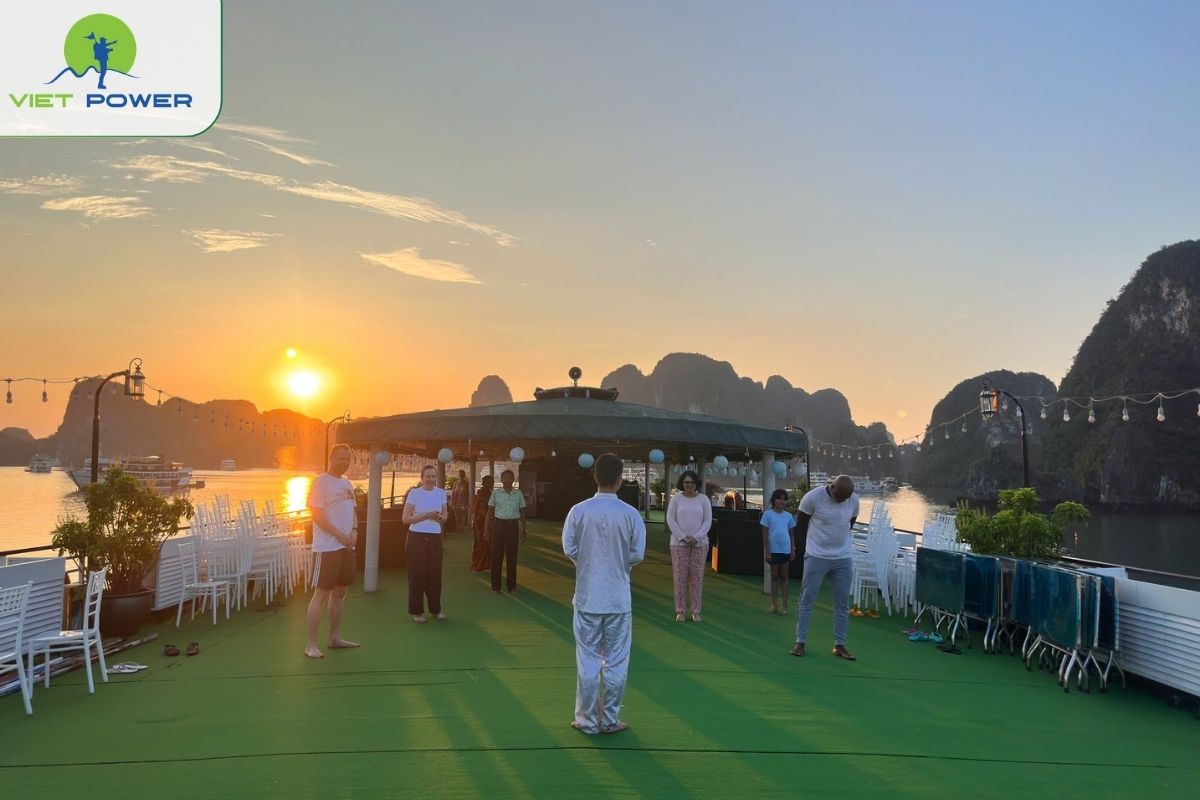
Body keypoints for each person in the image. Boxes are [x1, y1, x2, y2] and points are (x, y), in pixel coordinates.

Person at [562, 453, 646, 735]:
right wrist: (619, 563)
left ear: (595, 476)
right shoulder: (631, 514)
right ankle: (609, 718)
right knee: (616, 660)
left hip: (587, 595)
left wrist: (586, 563)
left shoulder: (578, 510)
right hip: (617, 597)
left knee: (587, 659)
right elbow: (637, 554)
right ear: (620, 480)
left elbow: (569, 548)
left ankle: (586, 720)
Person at [790, 475, 860, 660]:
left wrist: (837, 544)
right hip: (816, 556)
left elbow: (849, 524)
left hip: (843, 557)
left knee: (842, 603)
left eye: (846, 498)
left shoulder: (853, 500)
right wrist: (802, 553)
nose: (843, 500)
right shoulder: (813, 498)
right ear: (832, 487)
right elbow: (801, 526)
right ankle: (800, 642)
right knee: (807, 599)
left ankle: (839, 645)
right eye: (841, 496)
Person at [304, 444, 360, 659]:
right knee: (321, 594)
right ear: (331, 458)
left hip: (346, 546)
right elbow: (317, 515)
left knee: (340, 592)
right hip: (327, 548)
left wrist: (354, 530)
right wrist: (339, 535)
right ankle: (311, 644)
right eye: (341, 458)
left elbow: (352, 512)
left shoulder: (347, 483)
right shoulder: (320, 482)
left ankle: (334, 638)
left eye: (348, 459)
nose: (344, 462)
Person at [402, 465, 448, 623]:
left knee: (435, 574)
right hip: (416, 537)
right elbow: (406, 518)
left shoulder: (441, 493)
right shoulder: (414, 493)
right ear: (421, 478)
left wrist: (439, 517)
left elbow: (445, 515)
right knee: (417, 574)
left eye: (433, 476)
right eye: (428, 476)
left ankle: (436, 609)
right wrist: (426, 515)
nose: (431, 479)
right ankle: (417, 611)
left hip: (435, 537)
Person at [666, 469, 711, 622]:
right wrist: (683, 538)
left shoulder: (703, 499)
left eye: (692, 482)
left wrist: (696, 538)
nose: (689, 485)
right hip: (679, 545)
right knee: (680, 578)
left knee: (697, 578)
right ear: (682, 483)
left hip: (700, 545)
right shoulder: (676, 499)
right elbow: (671, 520)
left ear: (696, 483)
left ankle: (696, 611)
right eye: (686, 482)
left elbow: (707, 521)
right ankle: (680, 611)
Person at [486, 469, 528, 594]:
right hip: (499, 525)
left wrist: (524, 529)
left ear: (513, 479)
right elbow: (490, 511)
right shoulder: (496, 493)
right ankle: (495, 587)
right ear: (501, 480)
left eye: (510, 478)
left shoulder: (518, 493)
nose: (508, 480)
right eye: (505, 478)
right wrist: (486, 529)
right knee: (496, 556)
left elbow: (522, 513)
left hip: (513, 526)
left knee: (512, 556)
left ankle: (511, 586)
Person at [760, 489, 797, 615]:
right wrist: (767, 551)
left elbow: (791, 534)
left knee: (785, 576)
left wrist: (793, 548)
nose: (781, 501)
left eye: (784, 499)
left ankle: (784, 606)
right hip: (773, 550)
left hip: (785, 550)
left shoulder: (788, 516)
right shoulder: (767, 515)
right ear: (773, 500)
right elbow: (765, 535)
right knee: (774, 576)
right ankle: (774, 605)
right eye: (779, 498)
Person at [469, 475, 494, 573]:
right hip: (480, 523)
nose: (490, 484)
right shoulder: (482, 494)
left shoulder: (489, 494)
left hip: (484, 521)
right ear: (484, 483)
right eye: (488, 482)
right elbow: (483, 510)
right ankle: (478, 564)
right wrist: (490, 521)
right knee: (481, 544)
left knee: (485, 544)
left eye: (491, 483)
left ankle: (485, 563)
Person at [449, 469, 470, 533]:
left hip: (463, 501)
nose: (461, 476)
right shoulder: (456, 483)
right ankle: (457, 527)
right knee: (457, 515)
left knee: (463, 514)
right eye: (460, 475)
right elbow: (453, 493)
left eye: (462, 475)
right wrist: (452, 502)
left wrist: (467, 502)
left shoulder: (466, 483)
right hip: (456, 501)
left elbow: (468, 493)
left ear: (464, 475)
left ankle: (462, 527)